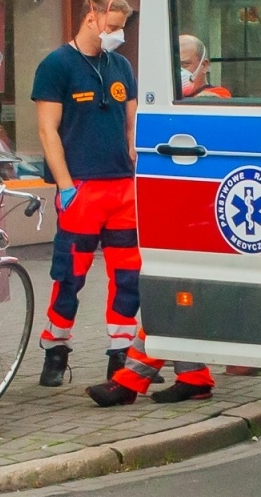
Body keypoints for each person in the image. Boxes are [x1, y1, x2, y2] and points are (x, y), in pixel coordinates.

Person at [86, 35, 226, 408]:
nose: (179, 71)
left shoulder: (217, 98)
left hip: (208, 226)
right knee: (179, 299)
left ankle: (129, 381)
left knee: (170, 299)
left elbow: (210, 114)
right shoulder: (168, 107)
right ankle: (194, 376)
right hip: (179, 223)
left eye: (186, 62)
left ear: (204, 65)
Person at [33, 0, 140, 386]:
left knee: (128, 277)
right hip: (80, 188)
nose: (117, 33)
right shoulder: (56, 66)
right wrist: (64, 185)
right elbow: (47, 130)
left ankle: (120, 355)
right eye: (112, 25)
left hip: (122, 190)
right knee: (69, 277)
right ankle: (55, 350)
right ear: (91, 15)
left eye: (122, 28)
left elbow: (132, 127)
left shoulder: (121, 68)